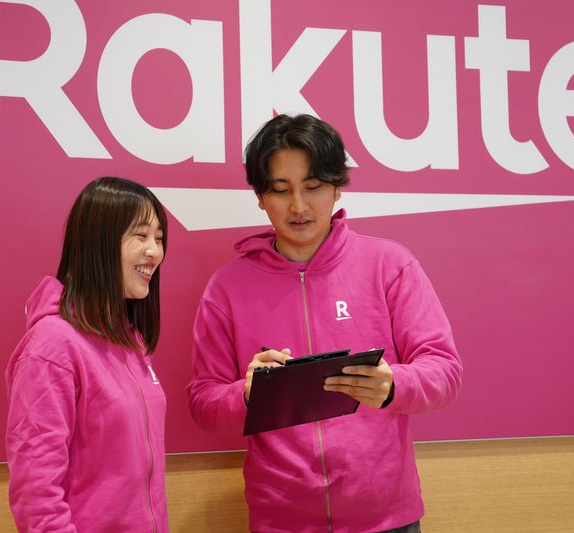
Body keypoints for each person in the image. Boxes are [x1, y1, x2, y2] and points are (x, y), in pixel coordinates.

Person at [187, 114, 462, 533]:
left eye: (313, 186)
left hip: (387, 517)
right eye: (281, 190)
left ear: (336, 187)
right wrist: (246, 394)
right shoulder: (227, 288)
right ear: (260, 197)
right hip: (282, 521)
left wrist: (393, 385)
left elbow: (445, 370)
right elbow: (203, 403)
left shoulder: (389, 265)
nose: (299, 206)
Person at [5, 177, 169, 532]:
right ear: (99, 243)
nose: (154, 251)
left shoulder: (131, 340)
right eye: (140, 235)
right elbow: (36, 494)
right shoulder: (52, 346)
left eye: (158, 238)